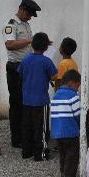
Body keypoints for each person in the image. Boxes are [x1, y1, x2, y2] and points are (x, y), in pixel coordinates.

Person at [3, 0, 40, 148]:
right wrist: (30, 41)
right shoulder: (11, 25)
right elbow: (10, 44)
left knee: (26, 102)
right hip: (15, 67)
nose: (30, 17)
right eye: (29, 14)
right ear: (22, 9)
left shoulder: (25, 25)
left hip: (27, 66)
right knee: (17, 102)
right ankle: (16, 138)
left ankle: (26, 135)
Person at [17, 32, 57, 161]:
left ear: (32, 44)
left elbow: (20, 73)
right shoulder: (46, 61)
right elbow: (54, 76)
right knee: (42, 128)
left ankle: (26, 151)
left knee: (27, 126)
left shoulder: (26, 59)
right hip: (41, 100)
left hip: (26, 99)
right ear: (46, 47)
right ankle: (40, 153)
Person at [51, 69, 81, 177]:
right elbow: (78, 114)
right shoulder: (73, 96)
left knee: (63, 153)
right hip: (70, 130)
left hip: (57, 131)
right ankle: (69, 176)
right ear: (71, 83)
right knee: (72, 154)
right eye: (77, 86)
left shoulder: (56, 95)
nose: (77, 89)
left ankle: (63, 173)